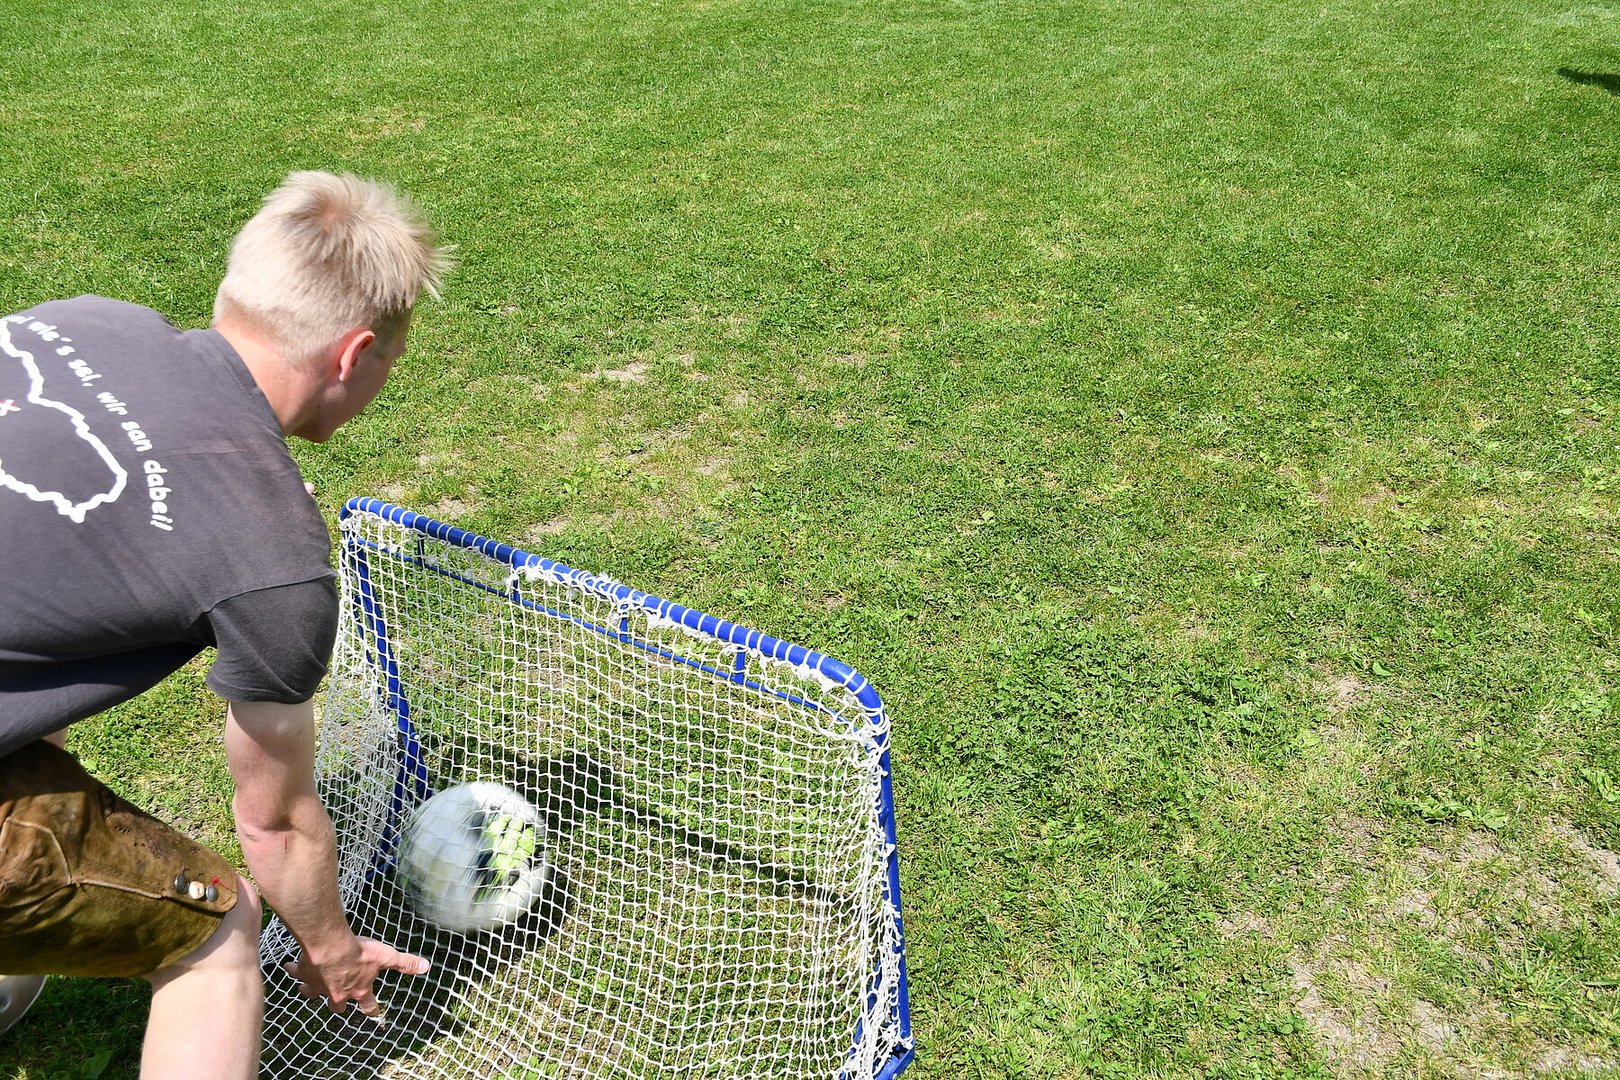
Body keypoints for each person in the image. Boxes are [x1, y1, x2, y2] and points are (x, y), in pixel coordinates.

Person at [0, 170, 452, 1077]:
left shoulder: (80, 321)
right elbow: (275, 823)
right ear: (354, 354)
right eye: (392, 363)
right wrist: (331, 948)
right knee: (219, 937)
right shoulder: (277, 567)